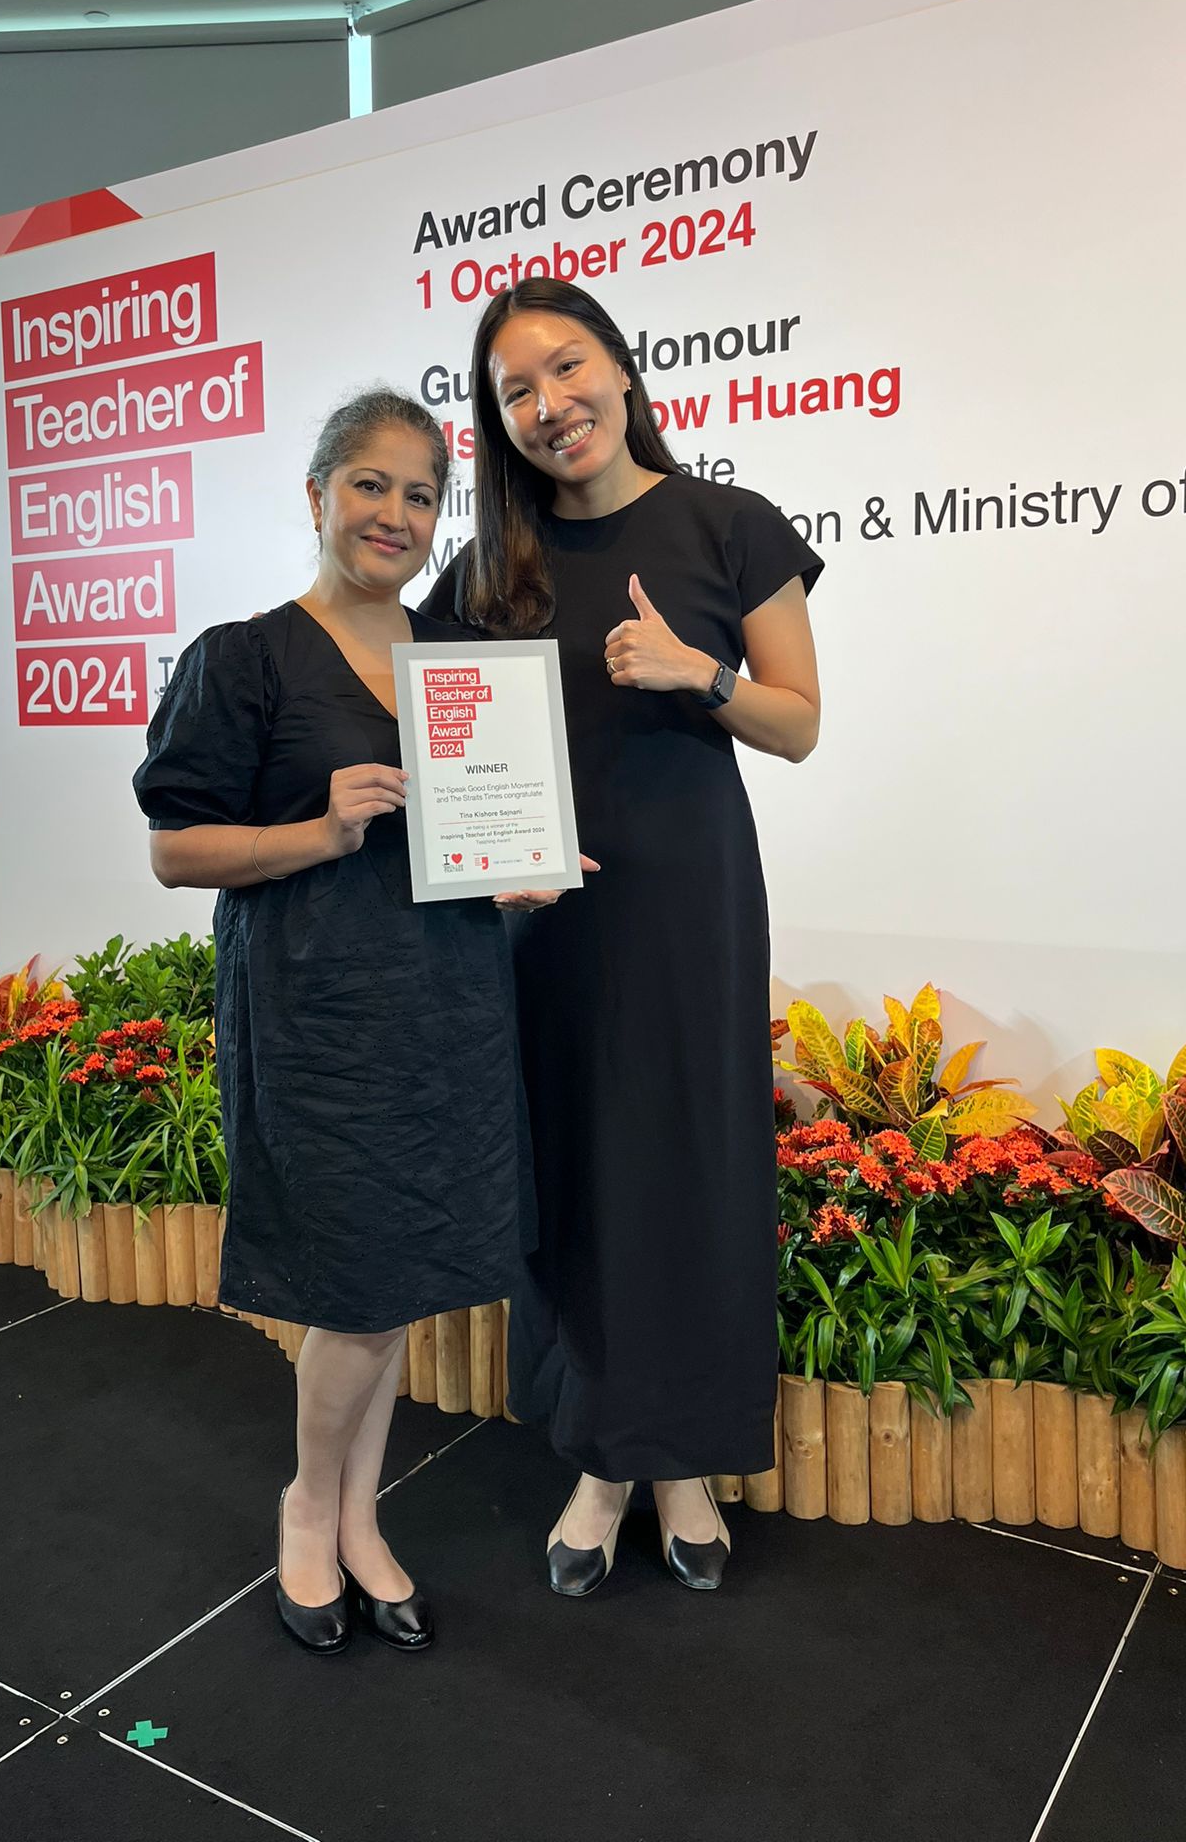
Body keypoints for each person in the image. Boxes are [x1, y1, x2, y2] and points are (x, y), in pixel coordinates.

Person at [133, 388, 561, 1655]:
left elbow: (472, 833)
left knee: (399, 1280)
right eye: (368, 485)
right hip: (318, 1015)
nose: (394, 513)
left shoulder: (457, 661)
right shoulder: (245, 655)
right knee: (358, 1287)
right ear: (316, 496)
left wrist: (518, 865)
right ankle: (311, 1508)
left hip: (447, 1004)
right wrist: (318, 829)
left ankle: (360, 1515)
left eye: (420, 493)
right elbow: (174, 851)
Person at [423, 279, 823, 1595]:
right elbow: (427, 727)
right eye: (516, 392)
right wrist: (476, 865)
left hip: (692, 904)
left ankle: (677, 1464)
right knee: (583, 1174)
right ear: (498, 424)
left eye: (567, 366)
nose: (551, 404)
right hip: (550, 923)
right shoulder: (490, 570)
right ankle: (609, 1455)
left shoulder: (728, 527)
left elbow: (798, 721)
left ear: (623, 369)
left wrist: (696, 676)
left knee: (690, 1170)